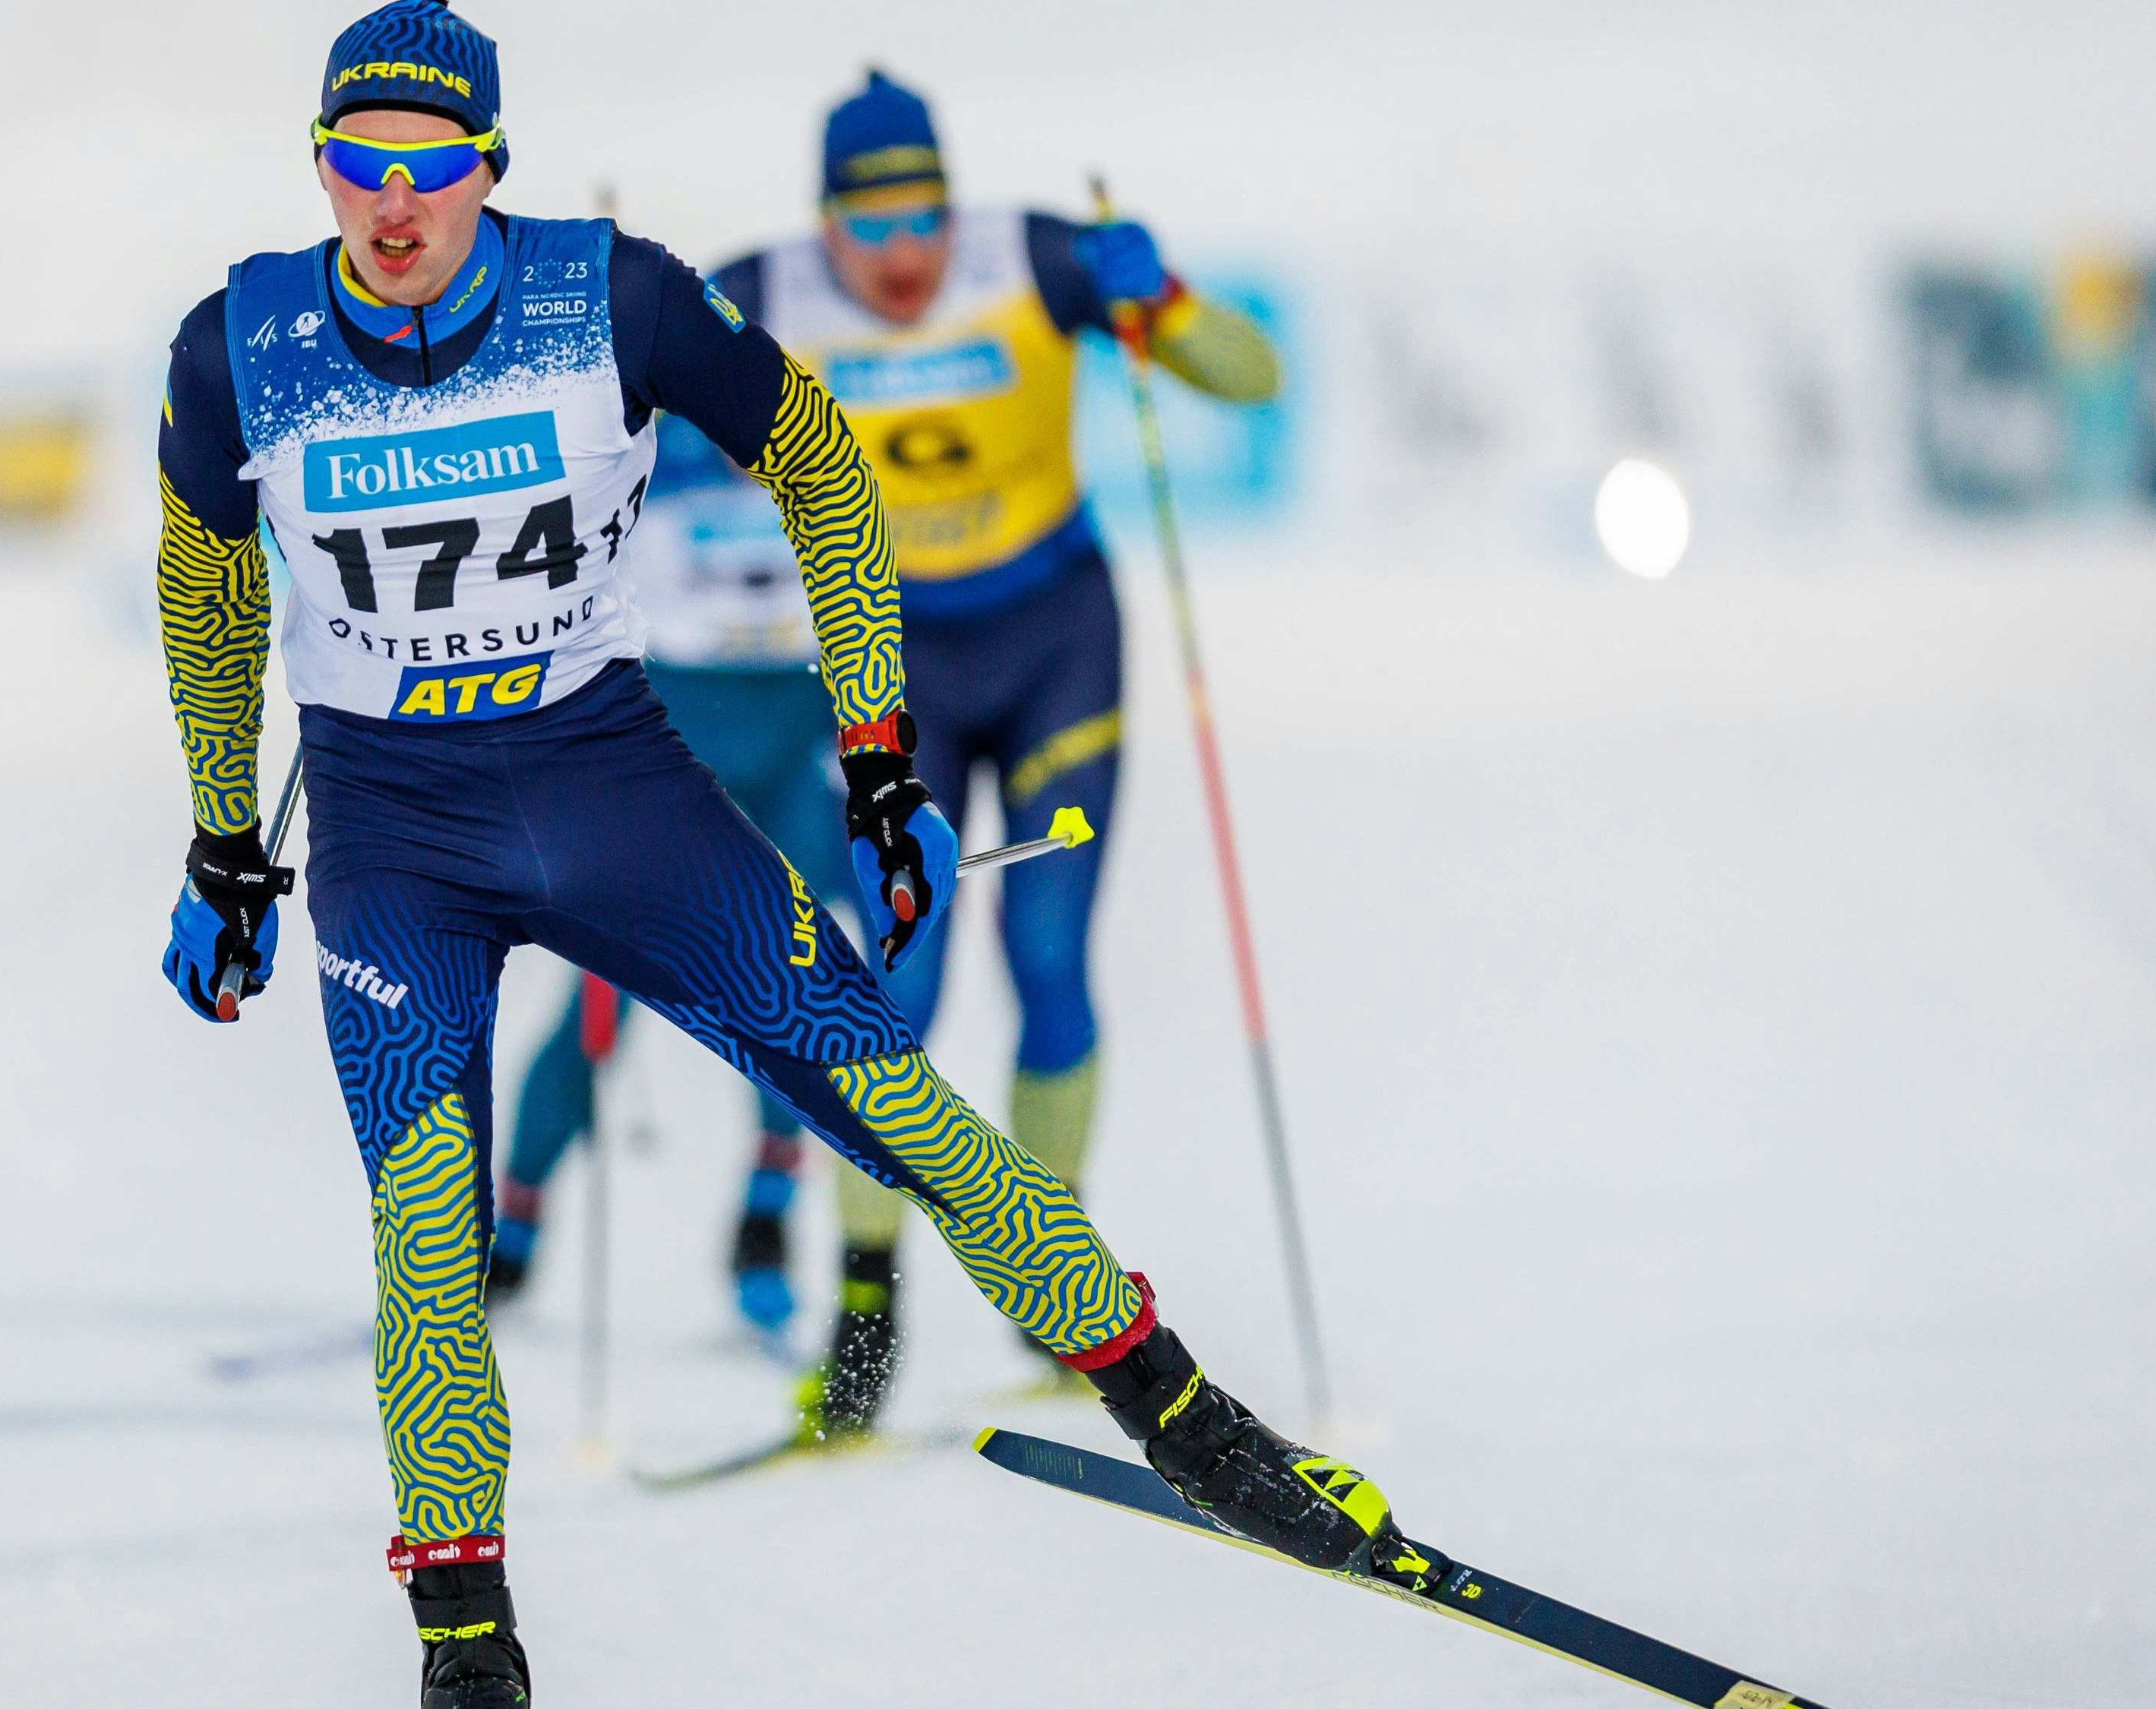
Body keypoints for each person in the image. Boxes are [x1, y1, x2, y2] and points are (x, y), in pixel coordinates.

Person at [153, 6, 1414, 1702]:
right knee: (425, 1225)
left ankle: (1188, 1423)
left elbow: (820, 466)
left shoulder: (610, 293)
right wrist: (224, 839)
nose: (394, 209)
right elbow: (210, 585)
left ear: (488, 166)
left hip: (608, 784)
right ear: (318, 165)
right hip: (397, 834)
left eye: (433, 167)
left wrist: (877, 752)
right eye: (358, 168)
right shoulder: (239, 341)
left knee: (896, 1103)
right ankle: (467, 1655)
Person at [706, 70, 1282, 1436]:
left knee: (1048, 959)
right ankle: (866, 1318)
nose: (905, 258)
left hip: (1052, 639)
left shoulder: (1030, 256)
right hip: (886, 666)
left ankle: (1056, 1294)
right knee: (885, 989)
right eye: (873, 228)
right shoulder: (761, 291)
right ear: (825, 219)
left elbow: (1252, 380)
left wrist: (1170, 303)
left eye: (925, 221)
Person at [482, 411, 852, 1340]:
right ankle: (513, 1226)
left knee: (792, 987)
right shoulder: (645, 452)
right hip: (677, 746)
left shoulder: (823, 446)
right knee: (603, 1001)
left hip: (792, 748)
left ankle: (765, 1217)